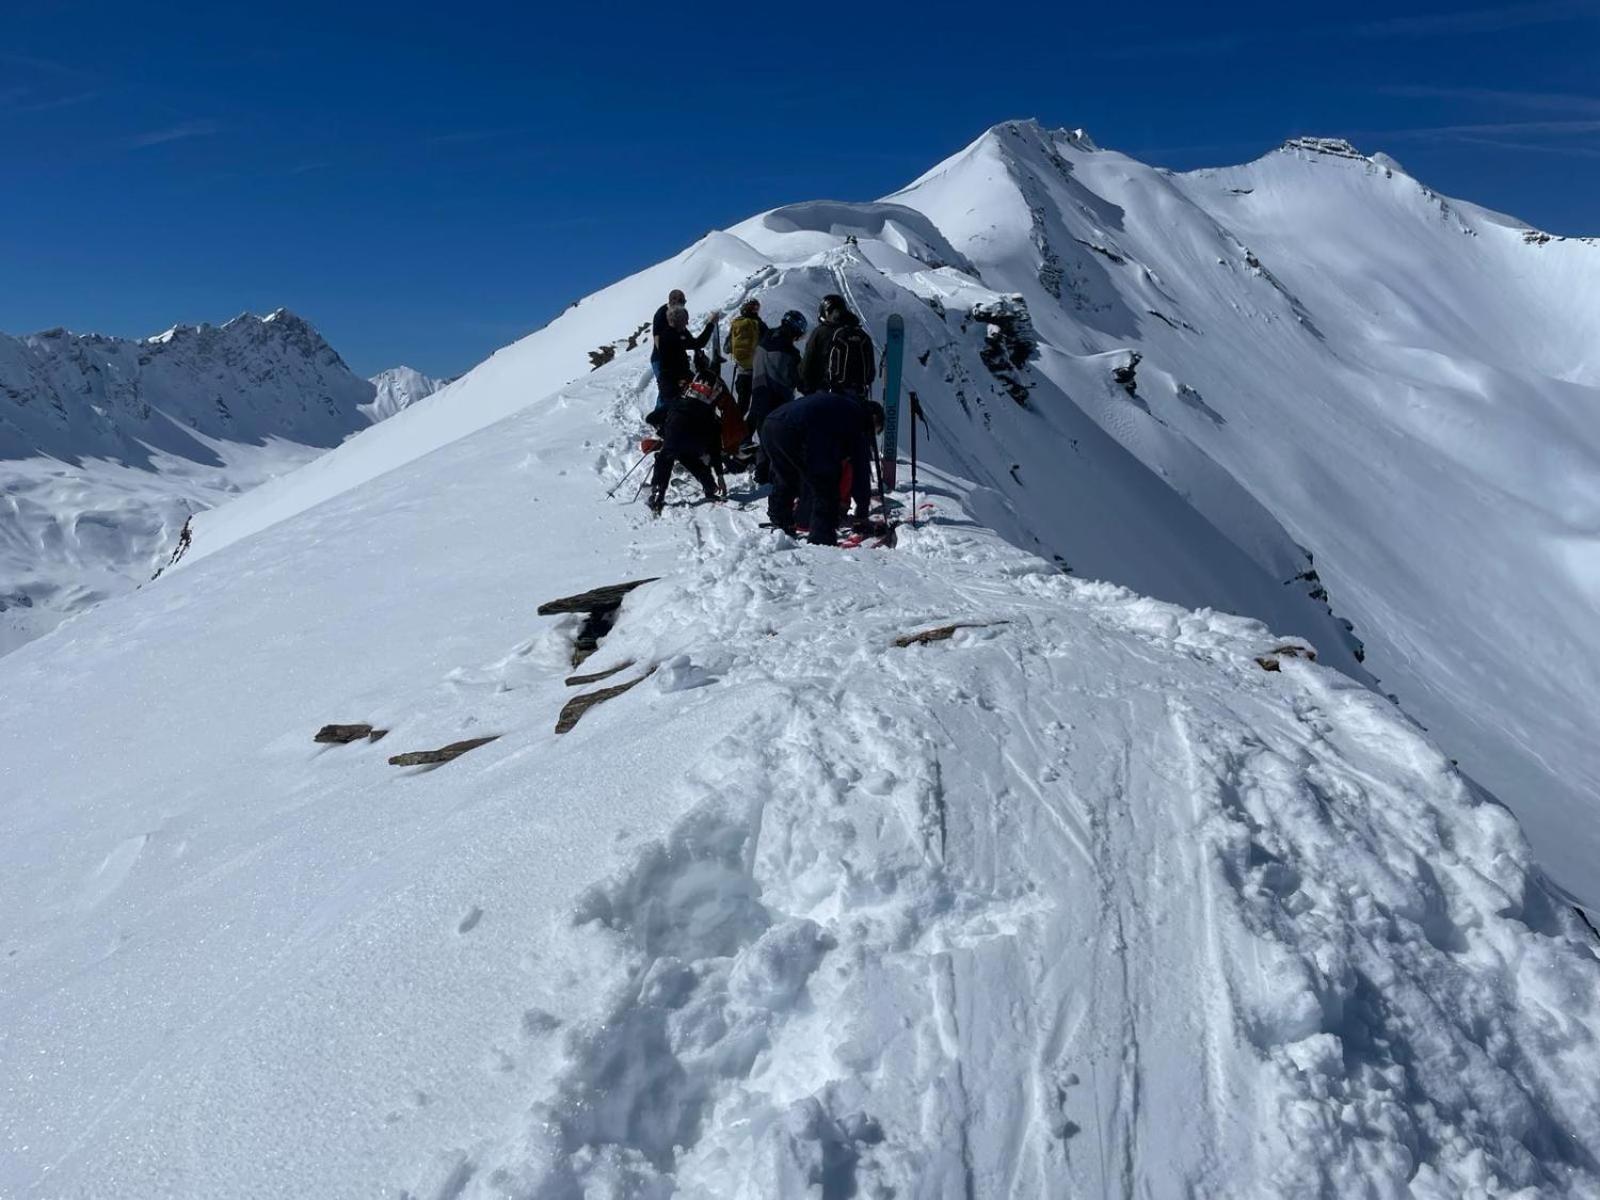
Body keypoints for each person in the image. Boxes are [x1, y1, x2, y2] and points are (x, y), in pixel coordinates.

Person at [761, 390, 884, 545]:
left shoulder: (841, 403)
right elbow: (860, 469)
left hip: (771, 424)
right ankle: (821, 539)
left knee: (788, 476)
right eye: (876, 429)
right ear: (873, 419)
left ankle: (781, 523)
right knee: (825, 486)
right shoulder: (857, 418)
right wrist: (862, 512)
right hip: (797, 431)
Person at [648, 374, 724, 514]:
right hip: (697, 445)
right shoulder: (712, 416)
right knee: (692, 460)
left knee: (665, 457)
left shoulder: (677, 402)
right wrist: (720, 475)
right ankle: (710, 487)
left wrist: (664, 431)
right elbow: (715, 449)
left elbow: (651, 418)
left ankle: (658, 493)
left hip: (674, 438)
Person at [747, 309, 808, 483]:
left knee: (763, 434)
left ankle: (761, 472)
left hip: (758, 393)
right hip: (779, 398)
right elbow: (800, 380)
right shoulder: (791, 353)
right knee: (777, 439)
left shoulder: (764, 339)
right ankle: (774, 475)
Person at [649, 305, 716, 427]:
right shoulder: (672, 335)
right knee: (677, 412)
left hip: (676, 379)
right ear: (679, 320)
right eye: (686, 320)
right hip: (674, 382)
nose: (687, 323)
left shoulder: (672, 333)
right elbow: (698, 343)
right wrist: (710, 324)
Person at [800, 293, 876, 398]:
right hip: (857, 397)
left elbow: (807, 367)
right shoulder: (861, 335)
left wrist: (807, 390)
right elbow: (870, 374)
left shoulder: (820, 332)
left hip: (827, 395)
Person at [724, 299, 766, 417]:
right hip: (758, 373)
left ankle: (732, 430)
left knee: (742, 406)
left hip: (742, 372)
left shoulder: (737, 324)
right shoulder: (760, 325)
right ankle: (748, 432)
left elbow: (726, 348)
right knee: (757, 407)